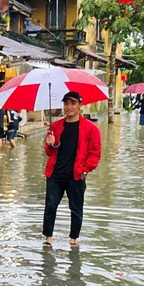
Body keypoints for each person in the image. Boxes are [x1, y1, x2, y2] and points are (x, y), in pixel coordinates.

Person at [42, 91, 102, 247]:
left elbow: (95, 153)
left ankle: (73, 240)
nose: (69, 107)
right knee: (50, 206)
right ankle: (48, 239)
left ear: (80, 105)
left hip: (76, 175)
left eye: (73, 103)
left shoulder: (91, 129)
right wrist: (50, 143)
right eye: (66, 103)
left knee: (76, 208)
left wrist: (85, 170)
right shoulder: (55, 126)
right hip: (55, 174)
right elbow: (49, 152)